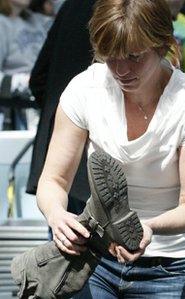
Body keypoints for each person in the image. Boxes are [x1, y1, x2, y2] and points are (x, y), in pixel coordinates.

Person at [36, 0, 185, 298]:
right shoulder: (85, 89)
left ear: (163, 45)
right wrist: (57, 215)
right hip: (96, 259)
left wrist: (147, 228)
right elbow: (54, 180)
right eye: (110, 57)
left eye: (134, 57)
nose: (122, 70)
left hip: (173, 266)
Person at [26, 0, 95, 217]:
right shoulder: (132, 8)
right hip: (87, 174)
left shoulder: (73, 5)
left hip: (62, 174)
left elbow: (38, 78)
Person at [0, 0, 51, 130]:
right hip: (17, 112)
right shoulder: (2, 24)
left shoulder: (36, 20)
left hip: (41, 104)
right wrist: (23, 82)